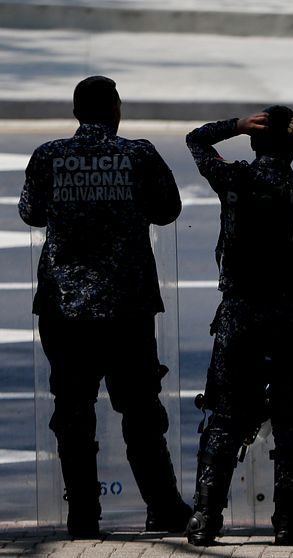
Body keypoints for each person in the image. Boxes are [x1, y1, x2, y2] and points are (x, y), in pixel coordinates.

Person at [184, 106, 293, 546]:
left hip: (241, 313)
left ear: (253, 142)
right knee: (291, 421)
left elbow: (196, 140)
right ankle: (289, 523)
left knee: (226, 418)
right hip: (292, 314)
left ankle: (206, 519)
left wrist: (235, 125)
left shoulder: (233, 179)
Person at [19, 75, 189, 538]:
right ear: (114, 110)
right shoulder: (138, 154)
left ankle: (84, 517)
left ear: (77, 113)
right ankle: (165, 508)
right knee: (140, 411)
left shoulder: (49, 156)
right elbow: (168, 209)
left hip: (65, 307)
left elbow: (30, 212)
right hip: (126, 307)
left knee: (73, 411)